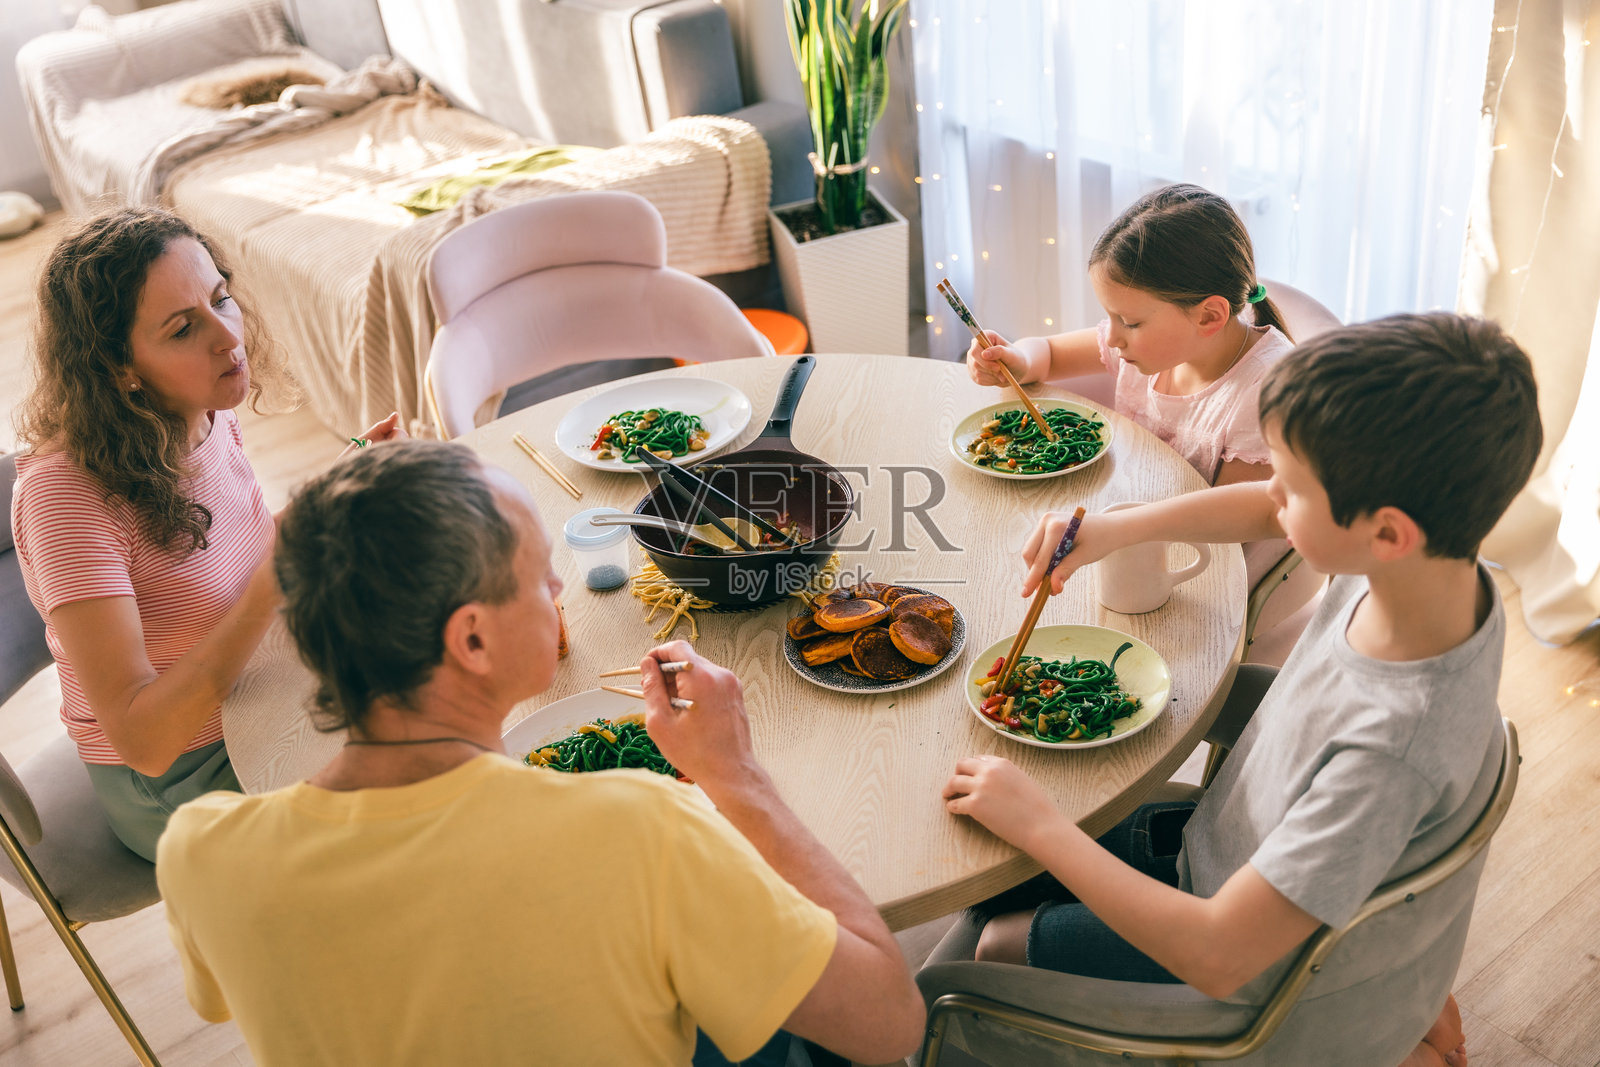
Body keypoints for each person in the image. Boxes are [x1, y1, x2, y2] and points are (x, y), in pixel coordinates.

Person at [155, 440, 925, 1067]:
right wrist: (735, 774)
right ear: (473, 638)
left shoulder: (198, 854)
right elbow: (891, 1023)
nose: (559, 583)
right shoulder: (643, 829)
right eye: (535, 573)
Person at [940, 313, 1540, 1067]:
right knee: (986, 868)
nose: (1271, 498)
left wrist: (1042, 826)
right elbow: (1265, 510)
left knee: (978, 956)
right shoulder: (1433, 575)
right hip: (1229, 851)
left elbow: (1220, 952)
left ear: (1387, 531)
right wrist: (1115, 529)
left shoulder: (1394, 748)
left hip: (1244, 967)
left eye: (1290, 488)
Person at [10, 208, 400, 860]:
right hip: (179, 774)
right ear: (117, 367)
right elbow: (144, 739)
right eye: (183, 327)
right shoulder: (64, 500)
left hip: (260, 687)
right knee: (415, 788)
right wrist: (273, 588)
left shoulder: (201, 410)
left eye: (221, 297)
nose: (228, 336)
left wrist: (340, 486)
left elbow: (236, 563)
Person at [965, 182, 1294, 489]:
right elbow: (1048, 353)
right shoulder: (1157, 348)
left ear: (1208, 316)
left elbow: (1230, 532)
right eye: (1110, 318)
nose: (1111, 339)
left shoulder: (1264, 395)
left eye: (1130, 322)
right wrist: (1017, 361)